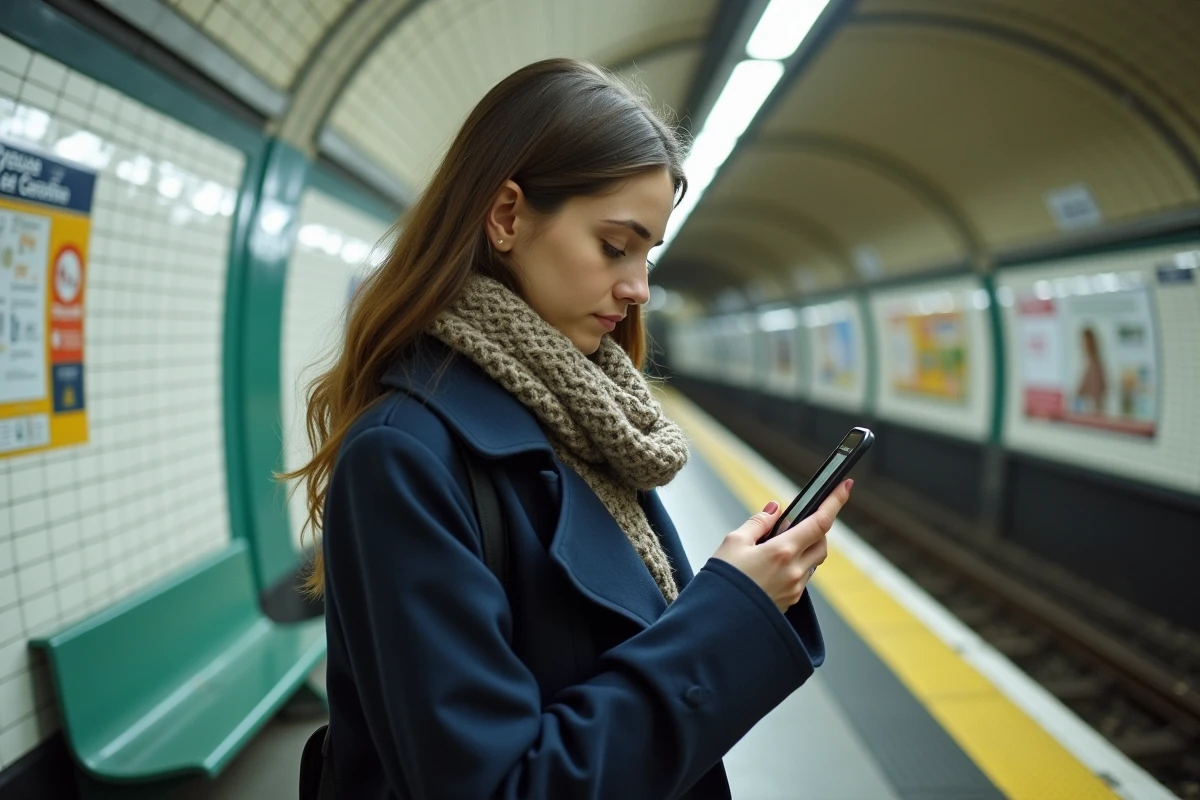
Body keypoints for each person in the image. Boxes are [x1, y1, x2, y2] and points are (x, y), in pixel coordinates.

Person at [285, 58, 852, 800]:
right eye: (616, 246)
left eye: (648, 253)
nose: (638, 286)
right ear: (508, 215)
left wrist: (744, 593)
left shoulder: (588, 424)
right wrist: (726, 610)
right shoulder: (403, 456)